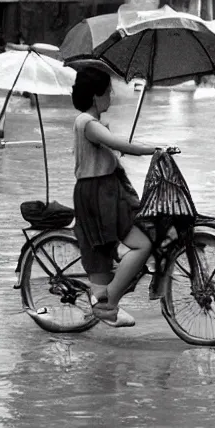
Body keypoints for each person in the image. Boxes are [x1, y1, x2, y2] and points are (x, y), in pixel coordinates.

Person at [72, 66, 169, 328]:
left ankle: (107, 299)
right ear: (96, 96)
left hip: (104, 190)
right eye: (109, 92)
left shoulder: (96, 125)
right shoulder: (86, 123)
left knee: (112, 257)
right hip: (98, 194)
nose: (111, 98)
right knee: (142, 244)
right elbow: (119, 144)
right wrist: (155, 149)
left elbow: (112, 147)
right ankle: (110, 302)